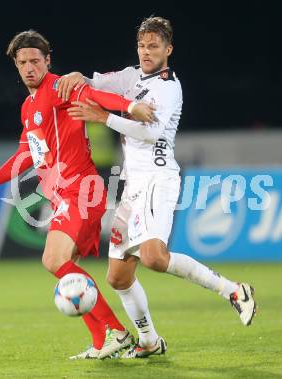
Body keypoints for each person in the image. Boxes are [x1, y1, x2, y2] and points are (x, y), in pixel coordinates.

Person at [59, 16, 256, 359]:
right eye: (142, 45)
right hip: (133, 186)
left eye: (154, 46)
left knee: (153, 257)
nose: (147, 51)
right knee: (118, 277)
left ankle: (234, 291)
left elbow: (150, 133)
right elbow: (96, 82)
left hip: (157, 179)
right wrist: (79, 76)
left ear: (168, 49)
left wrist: (103, 117)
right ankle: (149, 341)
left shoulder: (168, 87)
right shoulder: (131, 76)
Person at [0, 30, 154, 359]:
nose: (28, 67)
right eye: (22, 62)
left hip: (80, 190)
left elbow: (95, 95)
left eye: (35, 60)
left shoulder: (58, 86)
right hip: (66, 195)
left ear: (47, 61)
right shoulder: (28, 106)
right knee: (67, 267)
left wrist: (131, 105)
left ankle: (118, 332)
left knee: (53, 260)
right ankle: (103, 339)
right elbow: (26, 153)